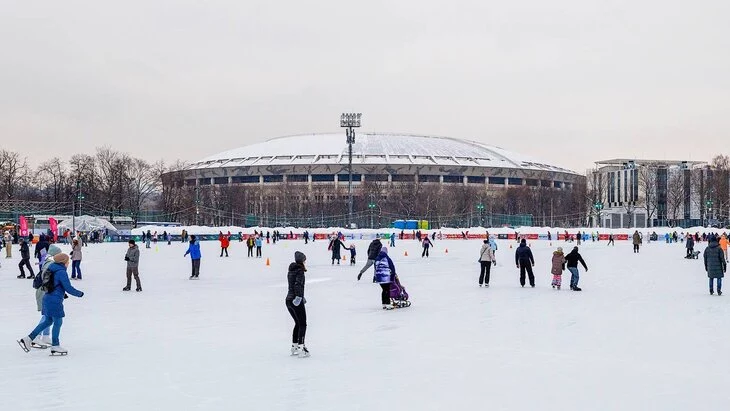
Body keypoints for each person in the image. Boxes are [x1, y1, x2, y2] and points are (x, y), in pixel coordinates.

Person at [17, 253, 84, 356]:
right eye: (67, 261)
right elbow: (68, 288)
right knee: (58, 322)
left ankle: (28, 338)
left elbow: (55, 285)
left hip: (47, 298)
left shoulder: (51, 268)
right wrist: (80, 294)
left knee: (48, 321)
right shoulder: (61, 272)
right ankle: (55, 345)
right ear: (63, 262)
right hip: (55, 301)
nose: (68, 263)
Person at [30, 244, 62, 347]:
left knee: (48, 315)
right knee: (46, 315)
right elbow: (48, 280)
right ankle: (36, 336)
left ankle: (46, 336)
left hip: (45, 291)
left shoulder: (48, 261)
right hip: (44, 292)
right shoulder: (50, 264)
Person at [286, 251, 309, 358]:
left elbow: (292, 285)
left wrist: (301, 297)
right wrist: (299, 297)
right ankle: (301, 347)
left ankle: (294, 346)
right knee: (303, 324)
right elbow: (297, 285)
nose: (305, 262)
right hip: (295, 300)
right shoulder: (300, 271)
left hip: (288, 300)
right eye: (304, 260)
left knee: (297, 323)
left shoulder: (291, 271)